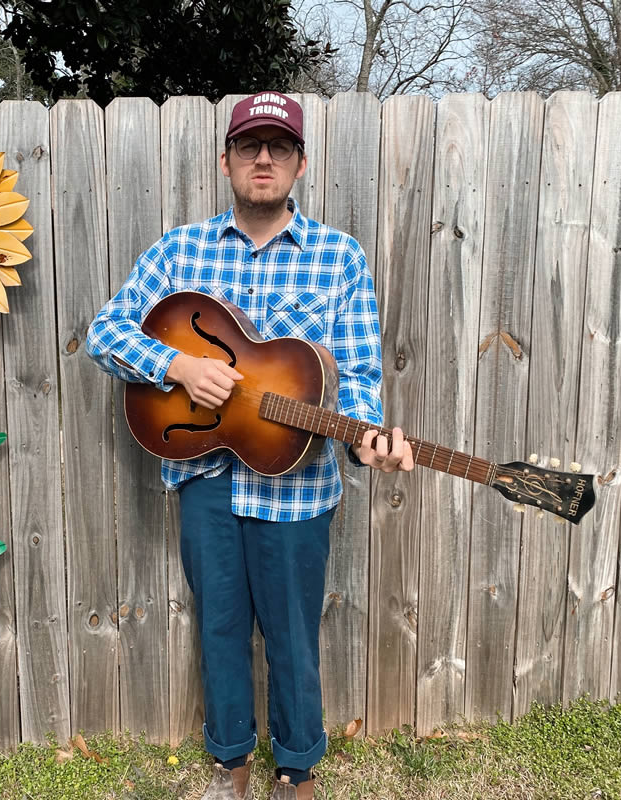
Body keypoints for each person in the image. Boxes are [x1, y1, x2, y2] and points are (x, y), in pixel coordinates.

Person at [85, 91, 415, 800]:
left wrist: (367, 442)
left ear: (300, 164)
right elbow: (104, 332)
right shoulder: (180, 250)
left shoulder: (338, 258)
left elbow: (354, 373)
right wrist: (177, 366)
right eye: (248, 146)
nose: (262, 159)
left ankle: (297, 768)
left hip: (297, 485)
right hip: (204, 472)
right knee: (221, 626)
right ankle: (229, 764)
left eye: (279, 148)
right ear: (227, 160)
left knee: (294, 636)